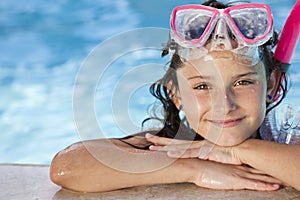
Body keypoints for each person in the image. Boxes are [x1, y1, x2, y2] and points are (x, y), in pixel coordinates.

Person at [50, 0, 300, 192]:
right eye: (202, 86)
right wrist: (195, 168)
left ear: (271, 85)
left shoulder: (287, 138)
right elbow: (67, 167)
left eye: (243, 82)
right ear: (176, 94)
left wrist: (238, 152)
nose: (224, 104)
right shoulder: (170, 146)